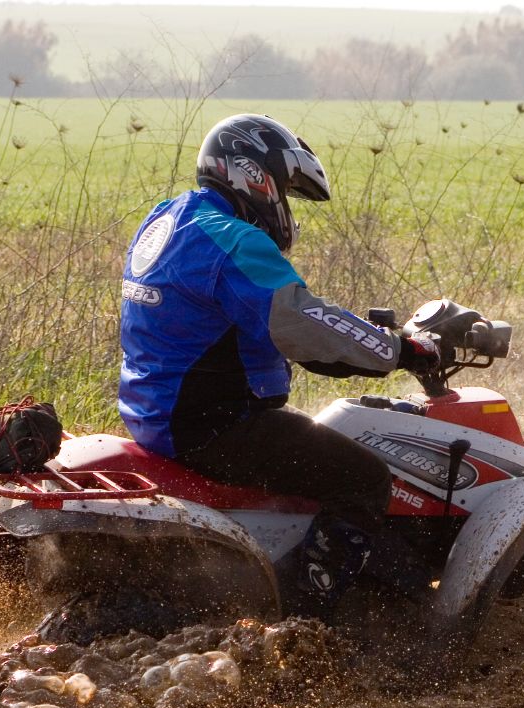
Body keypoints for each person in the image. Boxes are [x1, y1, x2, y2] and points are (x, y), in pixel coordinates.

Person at [117, 113, 440, 611]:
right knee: (364, 479)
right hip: (215, 426)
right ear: (253, 174)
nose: (284, 206)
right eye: (285, 191)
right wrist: (399, 349)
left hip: (155, 413)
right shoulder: (234, 239)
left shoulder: (171, 216)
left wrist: (361, 346)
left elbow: (279, 328)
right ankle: (305, 619)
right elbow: (300, 320)